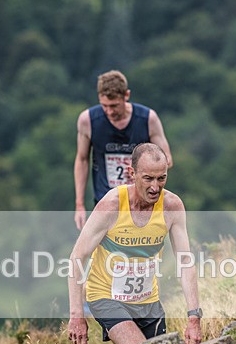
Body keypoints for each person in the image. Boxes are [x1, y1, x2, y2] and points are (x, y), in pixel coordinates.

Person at [68, 143, 202, 344]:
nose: (155, 187)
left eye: (161, 178)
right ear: (132, 173)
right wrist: (76, 315)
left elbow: (185, 262)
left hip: (148, 301)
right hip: (106, 297)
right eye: (148, 178)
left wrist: (194, 317)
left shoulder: (172, 206)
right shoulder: (112, 205)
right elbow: (77, 257)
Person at [74, 70, 174, 230]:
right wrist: (79, 205)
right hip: (104, 202)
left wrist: (141, 169)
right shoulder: (87, 120)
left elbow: (167, 159)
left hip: (140, 204)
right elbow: (82, 159)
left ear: (126, 95)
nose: (109, 111)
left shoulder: (148, 119)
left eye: (114, 106)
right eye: (104, 106)